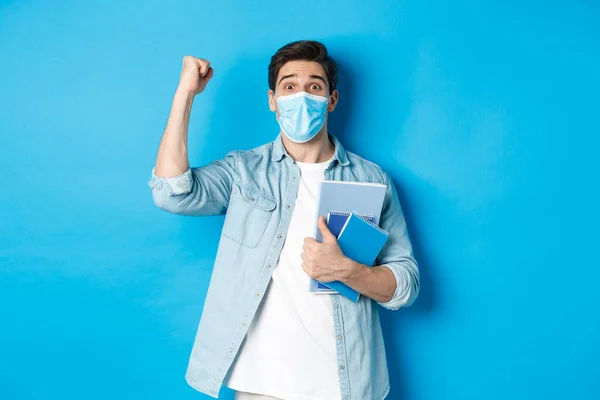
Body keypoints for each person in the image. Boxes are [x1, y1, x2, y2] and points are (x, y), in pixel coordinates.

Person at [148, 40, 419, 400]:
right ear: (272, 100)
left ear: (331, 100)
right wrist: (186, 93)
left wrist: (347, 271)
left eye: (314, 87)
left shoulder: (372, 180)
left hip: (345, 385)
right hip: (261, 384)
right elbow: (171, 192)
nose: (301, 96)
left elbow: (405, 285)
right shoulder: (244, 171)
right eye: (289, 86)